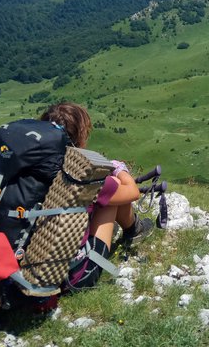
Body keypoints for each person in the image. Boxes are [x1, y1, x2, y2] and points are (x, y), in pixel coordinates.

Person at [39, 102, 154, 289]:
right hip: (71, 275)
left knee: (105, 194)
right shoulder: (80, 175)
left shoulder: (32, 165)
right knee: (115, 187)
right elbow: (132, 192)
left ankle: (134, 229)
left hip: (22, 263)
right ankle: (133, 230)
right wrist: (118, 169)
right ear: (80, 135)